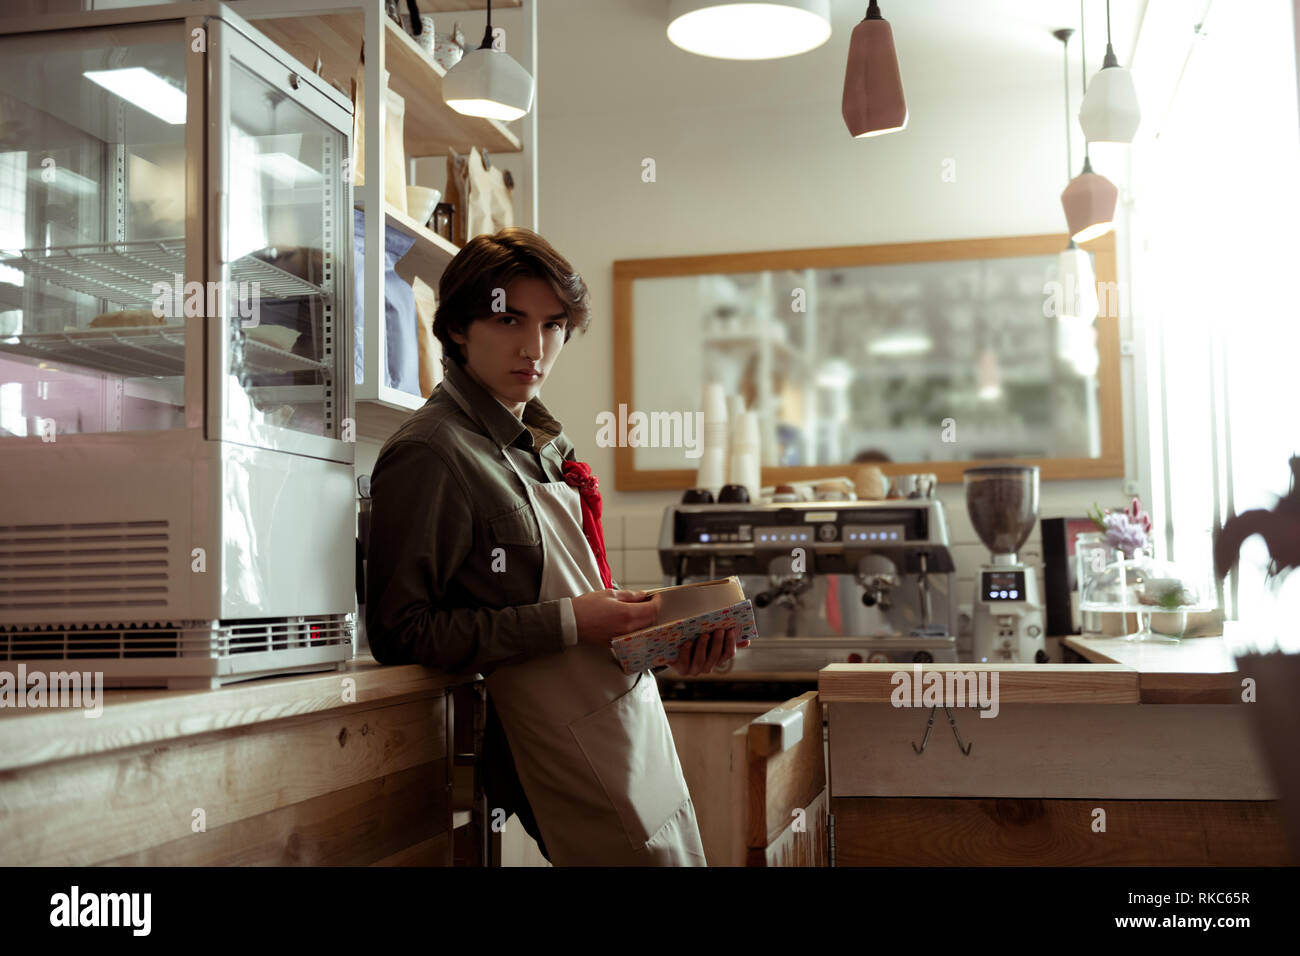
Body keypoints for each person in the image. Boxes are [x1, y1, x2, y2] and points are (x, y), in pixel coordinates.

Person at [365, 227, 746, 866]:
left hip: (620, 727)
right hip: (552, 747)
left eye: (553, 326)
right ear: (458, 327)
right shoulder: (430, 453)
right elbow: (401, 632)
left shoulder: (538, 444)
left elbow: (561, 601)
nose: (534, 347)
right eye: (509, 319)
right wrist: (573, 621)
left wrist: (658, 639)